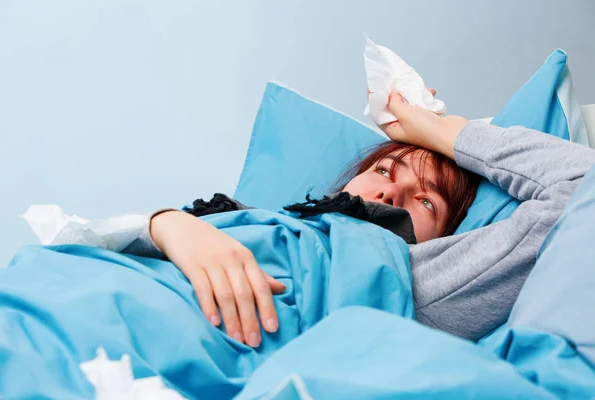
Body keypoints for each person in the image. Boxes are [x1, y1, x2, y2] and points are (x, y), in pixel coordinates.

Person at [123, 91, 595, 347]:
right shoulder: (250, 220)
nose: (391, 190)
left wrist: (445, 132)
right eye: (385, 170)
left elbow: (581, 187)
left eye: (426, 202)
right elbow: (82, 242)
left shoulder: (425, 279)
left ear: (444, 240)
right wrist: (168, 227)